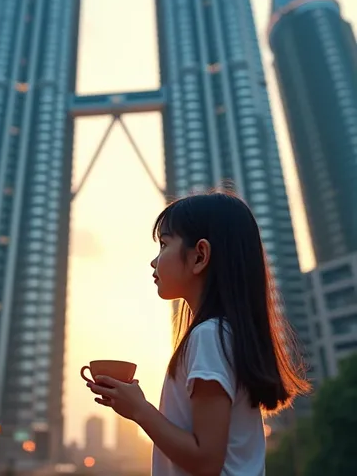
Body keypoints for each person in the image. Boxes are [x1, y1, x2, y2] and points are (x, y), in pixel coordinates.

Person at [85, 191, 311, 476]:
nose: (154, 262)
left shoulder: (209, 336)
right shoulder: (224, 334)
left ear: (200, 256)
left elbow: (206, 461)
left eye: (164, 244)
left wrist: (140, 410)